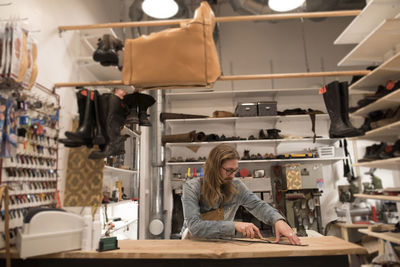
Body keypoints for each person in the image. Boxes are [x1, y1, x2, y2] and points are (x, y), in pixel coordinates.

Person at [181, 143, 301, 245]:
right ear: (214, 168)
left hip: (223, 245)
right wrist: (234, 226)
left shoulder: (236, 185)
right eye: (228, 170)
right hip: (194, 244)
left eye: (235, 170)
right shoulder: (192, 188)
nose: (233, 175)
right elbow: (195, 227)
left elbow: (258, 205)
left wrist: (278, 220)